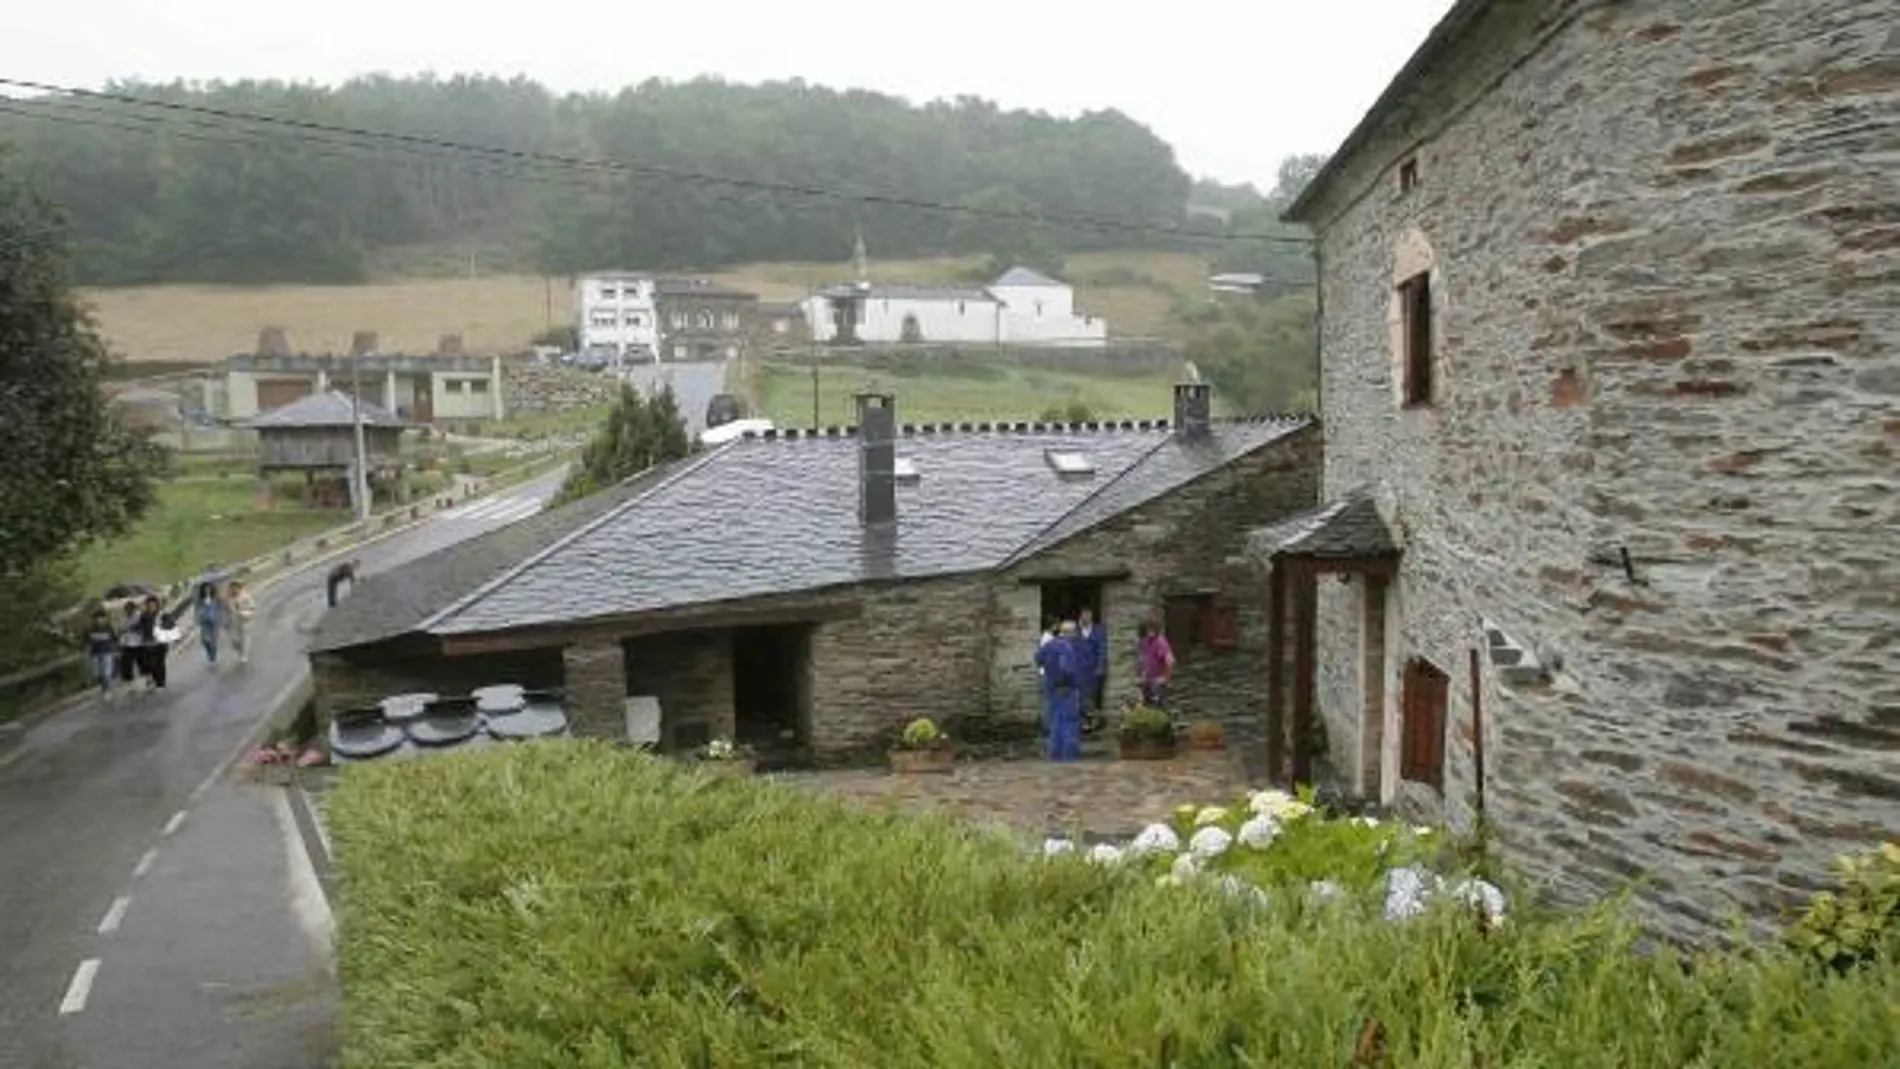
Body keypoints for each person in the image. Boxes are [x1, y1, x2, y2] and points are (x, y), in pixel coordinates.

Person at [1040, 620, 1084, 761]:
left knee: (1054, 721)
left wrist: (1049, 672)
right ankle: (1068, 755)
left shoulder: (1049, 645)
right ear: (1068, 632)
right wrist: (1065, 681)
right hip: (1066, 689)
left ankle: (1055, 754)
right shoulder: (1066, 647)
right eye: (1074, 631)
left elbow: (1038, 658)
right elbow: (1067, 669)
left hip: (1051, 688)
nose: (1076, 634)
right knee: (1069, 722)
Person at [1077, 607, 1108, 734]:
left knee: (1093, 695)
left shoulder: (1098, 631)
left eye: (1088, 615)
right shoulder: (1076, 631)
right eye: (1084, 615)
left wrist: (1100, 667)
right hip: (1079, 669)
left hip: (1093, 669)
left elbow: (1102, 650)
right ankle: (1084, 723)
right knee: (1080, 695)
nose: (1086, 618)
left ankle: (1095, 721)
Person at [1136, 619, 1176, 710]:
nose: (1150, 632)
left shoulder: (1161, 643)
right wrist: (1140, 676)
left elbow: (1169, 661)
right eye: (1148, 629)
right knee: (1147, 706)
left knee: (1159, 707)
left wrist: (1166, 679)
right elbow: (1141, 659)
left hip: (1158, 681)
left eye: (1152, 629)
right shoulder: (1143, 642)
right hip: (1147, 681)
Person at [82, 609, 117, 697]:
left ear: (104, 619)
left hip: (106, 652)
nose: (99, 620)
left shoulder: (108, 628)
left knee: (106, 672)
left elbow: (114, 639)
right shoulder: (89, 630)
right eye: (97, 619)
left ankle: (107, 689)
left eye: (101, 618)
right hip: (95, 653)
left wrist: (115, 649)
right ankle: (103, 686)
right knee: (97, 673)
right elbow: (85, 641)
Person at [224, 580, 256, 664]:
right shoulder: (229, 598)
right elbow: (227, 610)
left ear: (239, 588)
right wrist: (226, 621)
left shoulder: (246, 597)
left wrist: (245, 614)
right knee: (234, 641)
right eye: (231, 588)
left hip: (245, 621)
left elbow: (252, 608)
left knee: (245, 638)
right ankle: (241, 651)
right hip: (234, 622)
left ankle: (244, 655)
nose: (233, 590)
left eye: (235, 587)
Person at [115, 599, 143, 689]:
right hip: (127, 643)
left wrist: (130, 627)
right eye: (126, 610)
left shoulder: (139, 616)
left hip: (139, 643)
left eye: (129, 609)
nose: (127, 611)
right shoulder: (124, 618)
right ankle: (130, 683)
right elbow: (120, 629)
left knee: (142, 662)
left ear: (133, 609)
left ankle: (149, 678)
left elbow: (141, 626)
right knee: (126, 664)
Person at [195, 582, 224, 665]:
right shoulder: (200, 599)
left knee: (213, 641)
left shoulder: (216, 598)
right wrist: (197, 618)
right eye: (205, 589)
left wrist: (220, 617)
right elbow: (196, 610)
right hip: (204, 622)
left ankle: (213, 655)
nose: (207, 590)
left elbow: (221, 607)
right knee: (205, 640)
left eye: (208, 588)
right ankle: (209, 653)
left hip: (215, 622)